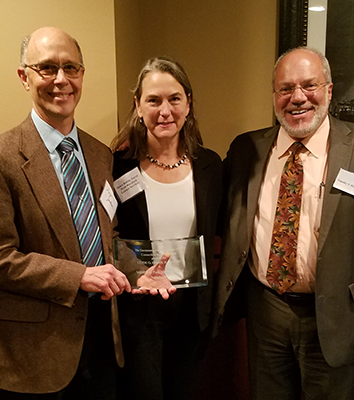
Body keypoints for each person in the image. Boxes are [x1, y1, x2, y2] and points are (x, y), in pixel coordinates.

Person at [0, 27, 173, 400]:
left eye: (71, 68)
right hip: (36, 352)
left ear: (82, 75)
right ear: (24, 76)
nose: (60, 80)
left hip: (103, 341)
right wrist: (78, 276)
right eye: (46, 68)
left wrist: (136, 270)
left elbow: (106, 236)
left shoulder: (101, 154)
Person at [214, 47, 354, 400]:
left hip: (340, 316)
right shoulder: (247, 148)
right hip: (267, 310)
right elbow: (209, 198)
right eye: (286, 88)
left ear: (330, 89)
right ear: (274, 95)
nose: (297, 98)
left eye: (309, 85)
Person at [111, 56, 223, 400]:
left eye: (174, 99)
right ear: (137, 105)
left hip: (192, 309)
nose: (165, 111)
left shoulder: (210, 165)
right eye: (153, 100)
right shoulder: (116, 166)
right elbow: (107, 235)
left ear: (188, 103)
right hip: (139, 308)